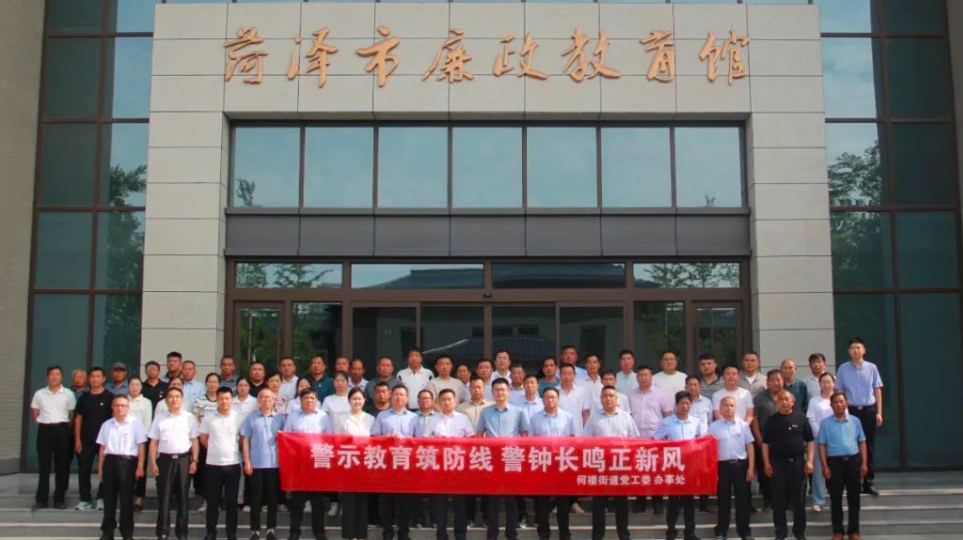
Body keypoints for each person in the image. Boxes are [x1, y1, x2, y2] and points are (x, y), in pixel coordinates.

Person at [417, 388, 474, 540]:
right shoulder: (432, 420)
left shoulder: (463, 419)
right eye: (443, 400)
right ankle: (441, 534)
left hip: (458, 467)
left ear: (455, 401)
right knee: (439, 503)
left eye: (450, 399)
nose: (447, 402)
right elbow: (425, 441)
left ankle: (460, 535)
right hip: (439, 468)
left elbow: (471, 441)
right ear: (438, 402)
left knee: (460, 503)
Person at [584, 386, 639, 540]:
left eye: (611, 396)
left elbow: (634, 441)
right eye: (605, 396)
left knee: (621, 504)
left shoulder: (626, 417)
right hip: (600, 467)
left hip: (620, 467)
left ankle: (623, 535)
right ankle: (597, 536)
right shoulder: (593, 418)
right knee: (598, 505)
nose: (608, 398)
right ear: (601, 400)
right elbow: (586, 441)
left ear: (617, 399)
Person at [477, 378, 529, 540]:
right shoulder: (485, 412)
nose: (500, 392)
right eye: (497, 390)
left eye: (503, 389)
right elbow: (479, 434)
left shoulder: (519, 411)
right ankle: (492, 533)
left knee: (511, 499)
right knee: (492, 499)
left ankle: (511, 533)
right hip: (492, 459)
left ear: (508, 391)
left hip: (511, 458)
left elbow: (525, 435)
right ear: (492, 392)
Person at [834, 337, 883, 497]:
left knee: (869, 446)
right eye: (853, 348)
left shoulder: (872, 367)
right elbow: (839, 391)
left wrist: (879, 412)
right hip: (851, 411)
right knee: (851, 446)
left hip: (868, 410)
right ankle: (853, 482)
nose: (855, 351)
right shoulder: (843, 368)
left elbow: (877, 390)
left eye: (858, 348)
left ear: (864, 350)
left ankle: (868, 482)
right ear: (848, 351)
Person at [149, 387, 200, 540]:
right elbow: (153, 442)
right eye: (171, 396)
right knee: (164, 497)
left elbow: (194, 441)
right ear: (166, 400)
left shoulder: (189, 417)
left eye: (177, 396)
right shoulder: (159, 418)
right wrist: (153, 463)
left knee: (183, 497)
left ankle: (182, 532)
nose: (174, 399)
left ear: (182, 399)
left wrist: (195, 460)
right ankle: (163, 532)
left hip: (184, 460)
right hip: (164, 460)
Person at [762, 390, 814, 540]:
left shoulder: (802, 419)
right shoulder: (771, 421)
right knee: (778, 501)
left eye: (786, 399)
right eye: (780, 400)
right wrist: (766, 463)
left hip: (798, 464)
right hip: (778, 464)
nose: (783, 402)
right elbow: (765, 444)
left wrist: (810, 461)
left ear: (792, 401)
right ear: (776, 402)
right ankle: (780, 532)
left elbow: (810, 441)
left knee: (799, 501)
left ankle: (799, 533)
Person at [655, 391, 705, 540]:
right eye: (682, 403)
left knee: (689, 501)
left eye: (688, 403)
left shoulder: (695, 422)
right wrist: (667, 444)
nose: (685, 406)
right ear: (676, 405)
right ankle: (671, 531)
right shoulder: (667, 422)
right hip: (673, 466)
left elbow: (700, 441)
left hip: (690, 467)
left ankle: (690, 532)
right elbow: (656, 441)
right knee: (673, 502)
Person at [284, 388, 332, 540]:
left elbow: (329, 439)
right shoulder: (293, 416)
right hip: (299, 465)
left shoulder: (323, 416)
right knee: (297, 502)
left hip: (317, 464)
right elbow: (286, 438)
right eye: (306, 398)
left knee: (317, 502)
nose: (309, 400)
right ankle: (294, 532)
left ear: (317, 400)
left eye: (312, 398)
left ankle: (319, 532)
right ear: (301, 400)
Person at [818, 392, 868, 540]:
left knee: (854, 499)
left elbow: (862, 442)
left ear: (846, 403)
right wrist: (824, 466)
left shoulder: (855, 421)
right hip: (835, 463)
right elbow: (822, 445)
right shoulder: (825, 423)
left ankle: (854, 531)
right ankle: (838, 531)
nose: (839, 405)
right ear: (831, 405)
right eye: (836, 402)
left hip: (853, 461)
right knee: (835, 498)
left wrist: (864, 463)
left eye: (842, 401)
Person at [372, 385, 419, 540]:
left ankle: (404, 533)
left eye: (402, 395)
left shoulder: (414, 417)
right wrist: (387, 438)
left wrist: (408, 441)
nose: (399, 397)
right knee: (386, 501)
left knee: (404, 501)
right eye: (396, 394)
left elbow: (420, 441)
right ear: (391, 396)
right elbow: (374, 438)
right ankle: (387, 533)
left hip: (406, 464)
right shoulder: (382, 416)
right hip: (387, 463)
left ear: (407, 398)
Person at [96, 394, 146, 540]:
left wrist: (140, 466)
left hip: (127, 463)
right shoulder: (107, 425)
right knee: (109, 499)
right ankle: (107, 531)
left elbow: (141, 446)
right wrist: (100, 468)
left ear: (128, 407)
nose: (120, 408)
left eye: (123, 405)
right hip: (110, 462)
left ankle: (127, 532)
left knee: (126, 499)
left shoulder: (135, 424)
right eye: (117, 405)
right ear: (112, 407)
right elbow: (102, 448)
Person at [529, 387, 576, 540]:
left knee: (563, 502)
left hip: (562, 463)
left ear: (558, 399)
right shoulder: (535, 418)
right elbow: (531, 442)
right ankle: (543, 534)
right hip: (543, 463)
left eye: (553, 397)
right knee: (542, 503)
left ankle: (564, 534)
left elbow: (572, 439)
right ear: (542, 400)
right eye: (547, 397)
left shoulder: (568, 417)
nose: (550, 400)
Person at [241, 388, 285, 540]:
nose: (266, 400)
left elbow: (285, 441)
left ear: (274, 401)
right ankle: (255, 530)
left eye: (269, 398)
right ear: (258, 400)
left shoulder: (280, 418)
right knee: (256, 499)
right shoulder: (251, 418)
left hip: (274, 464)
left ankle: (271, 530)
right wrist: (247, 461)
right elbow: (245, 440)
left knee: (272, 499)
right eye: (263, 397)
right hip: (256, 464)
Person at [709, 396, 755, 540]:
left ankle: (744, 532)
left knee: (743, 500)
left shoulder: (743, 425)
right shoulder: (714, 427)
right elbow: (711, 450)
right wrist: (713, 470)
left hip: (741, 465)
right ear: (720, 409)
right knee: (723, 500)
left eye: (732, 405)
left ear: (736, 407)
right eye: (726, 405)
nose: (729, 408)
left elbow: (750, 446)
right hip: (722, 466)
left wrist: (751, 468)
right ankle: (721, 531)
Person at [199, 386, 242, 540]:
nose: (224, 401)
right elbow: (203, 438)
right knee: (212, 501)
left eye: (227, 398)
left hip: (232, 464)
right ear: (216, 399)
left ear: (231, 400)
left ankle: (231, 531)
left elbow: (242, 439)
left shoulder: (238, 417)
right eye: (221, 398)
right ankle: (211, 531)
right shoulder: (209, 417)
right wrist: (215, 449)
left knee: (231, 501)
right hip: (212, 465)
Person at [628, 365, 672, 514]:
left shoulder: (661, 393)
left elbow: (668, 415)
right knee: (638, 471)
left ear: (651, 376)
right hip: (636, 438)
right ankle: (640, 501)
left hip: (656, 439)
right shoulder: (630, 394)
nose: (643, 378)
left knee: (656, 471)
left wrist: (664, 435)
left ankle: (657, 501)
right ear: (637, 377)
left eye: (646, 375)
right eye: (640, 375)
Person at [31, 365, 76, 510]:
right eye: (52, 374)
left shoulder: (68, 394)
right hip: (45, 430)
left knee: (61, 466)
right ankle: (41, 500)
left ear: (61, 377)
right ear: (47, 377)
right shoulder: (39, 394)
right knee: (44, 467)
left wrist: (63, 427)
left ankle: (59, 499)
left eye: (57, 374)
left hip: (62, 430)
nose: (54, 377)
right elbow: (35, 413)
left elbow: (71, 414)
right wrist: (44, 423)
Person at [338, 388, 375, 540]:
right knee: (348, 501)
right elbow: (337, 441)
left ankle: (361, 534)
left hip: (365, 464)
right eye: (354, 399)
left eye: (360, 399)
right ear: (349, 401)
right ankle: (349, 535)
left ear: (364, 400)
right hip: (348, 463)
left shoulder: (371, 419)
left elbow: (375, 440)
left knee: (362, 500)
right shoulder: (342, 419)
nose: (357, 401)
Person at [75, 366, 112, 511]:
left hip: (105, 441)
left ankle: (102, 498)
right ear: (89, 379)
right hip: (86, 439)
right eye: (93, 376)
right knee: (84, 469)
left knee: (105, 470)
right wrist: (77, 440)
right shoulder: (84, 398)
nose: (95, 379)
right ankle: (85, 499)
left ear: (103, 379)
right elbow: (78, 418)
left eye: (98, 376)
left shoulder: (109, 397)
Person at [751, 369, 784, 510]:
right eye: (773, 380)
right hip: (764, 441)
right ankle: (768, 499)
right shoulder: (759, 398)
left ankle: (783, 500)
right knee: (765, 471)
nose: (776, 383)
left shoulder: (787, 397)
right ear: (767, 382)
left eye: (778, 380)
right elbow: (755, 420)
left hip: (783, 443)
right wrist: (758, 438)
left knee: (782, 472)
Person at [806, 373, 835, 513]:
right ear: (819, 384)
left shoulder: (838, 399)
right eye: (823, 382)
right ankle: (818, 500)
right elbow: (810, 418)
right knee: (818, 470)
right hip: (818, 438)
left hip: (836, 439)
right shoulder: (814, 401)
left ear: (833, 383)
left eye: (829, 382)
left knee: (836, 469)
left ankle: (835, 499)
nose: (826, 384)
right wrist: (821, 434)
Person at [193, 373, 222, 512]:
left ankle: (219, 501)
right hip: (203, 441)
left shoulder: (223, 400)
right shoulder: (199, 400)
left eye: (215, 382)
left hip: (219, 441)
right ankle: (206, 500)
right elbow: (196, 419)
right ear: (206, 384)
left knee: (219, 472)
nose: (212, 384)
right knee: (206, 472)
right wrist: (204, 436)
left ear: (219, 384)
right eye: (210, 382)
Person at [412, 389, 438, 529]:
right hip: (416, 458)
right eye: (422, 398)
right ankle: (418, 519)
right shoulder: (412, 417)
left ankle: (435, 519)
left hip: (435, 458)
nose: (425, 400)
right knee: (417, 490)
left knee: (434, 491)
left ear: (433, 401)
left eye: (427, 398)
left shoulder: (439, 417)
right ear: (418, 401)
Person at [127, 376, 153, 511]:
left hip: (141, 440)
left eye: (137, 385)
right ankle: (128, 494)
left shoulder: (146, 402)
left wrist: (143, 439)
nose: (135, 387)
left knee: (140, 468)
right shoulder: (124, 400)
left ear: (141, 387)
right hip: (126, 440)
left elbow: (147, 422)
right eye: (132, 385)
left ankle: (139, 496)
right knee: (128, 468)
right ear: (128, 386)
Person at [556, 364, 590, 435]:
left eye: (570, 374)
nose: (567, 377)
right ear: (559, 375)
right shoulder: (554, 391)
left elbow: (585, 413)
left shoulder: (582, 391)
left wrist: (586, 431)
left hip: (578, 433)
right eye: (564, 374)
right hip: (559, 433)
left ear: (574, 375)